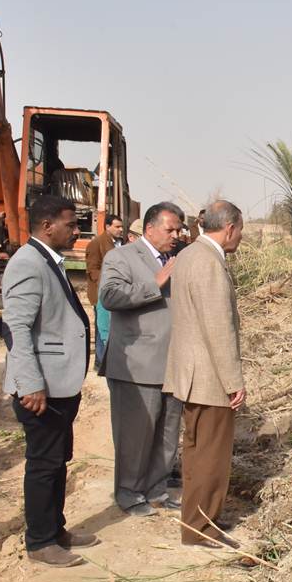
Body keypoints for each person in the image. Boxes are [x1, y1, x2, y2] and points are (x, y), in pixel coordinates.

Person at [1, 195, 100, 567]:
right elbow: (17, 329)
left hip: (59, 385)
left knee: (58, 460)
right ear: (47, 226)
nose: (76, 231)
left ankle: (55, 529)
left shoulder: (47, 261)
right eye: (71, 225)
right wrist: (30, 384)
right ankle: (41, 542)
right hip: (41, 389)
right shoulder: (28, 264)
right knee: (43, 464)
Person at [165, 199, 246, 549]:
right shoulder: (210, 263)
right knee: (212, 455)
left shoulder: (187, 255)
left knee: (197, 452)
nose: (240, 238)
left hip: (190, 371)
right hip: (209, 375)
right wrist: (233, 382)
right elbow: (218, 329)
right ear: (229, 228)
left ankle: (197, 518)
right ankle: (202, 528)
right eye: (240, 231)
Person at [99, 202, 186, 517]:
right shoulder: (121, 257)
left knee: (167, 432)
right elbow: (110, 296)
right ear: (150, 228)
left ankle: (156, 489)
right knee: (135, 435)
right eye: (170, 229)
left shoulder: (178, 259)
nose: (176, 235)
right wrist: (155, 283)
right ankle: (129, 492)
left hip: (173, 362)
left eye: (179, 229)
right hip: (137, 364)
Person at [86, 213, 126, 370]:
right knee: (102, 328)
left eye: (121, 226)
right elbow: (92, 269)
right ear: (107, 226)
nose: (120, 229)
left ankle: (101, 361)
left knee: (108, 327)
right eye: (117, 226)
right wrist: (107, 282)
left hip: (115, 291)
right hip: (101, 292)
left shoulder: (119, 243)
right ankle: (101, 361)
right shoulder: (96, 244)